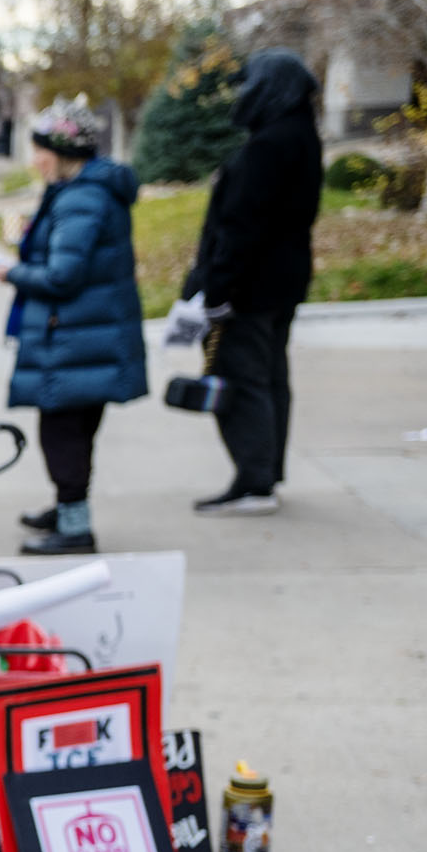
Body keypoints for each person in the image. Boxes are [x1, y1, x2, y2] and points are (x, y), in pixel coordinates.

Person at [0, 97, 145, 556]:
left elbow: (63, 276)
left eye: (40, 150)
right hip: (85, 334)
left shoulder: (81, 197)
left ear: (60, 152)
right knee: (75, 432)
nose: (35, 159)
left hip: (75, 336)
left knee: (62, 434)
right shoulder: (83, 191)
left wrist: (11, 272)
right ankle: (67, 508)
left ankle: (75, 527)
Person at [179, 49, 324, 515]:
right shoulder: (300, 136)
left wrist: (218, 292)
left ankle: (254, 480)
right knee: (269, 376)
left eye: (251, 84)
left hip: (250, 286)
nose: (244, 94)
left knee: (243, 378)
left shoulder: (269, 146)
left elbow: (242, 227)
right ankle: (264, 474)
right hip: (281, 282)